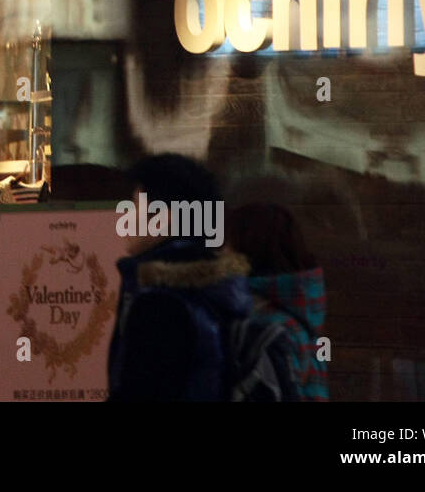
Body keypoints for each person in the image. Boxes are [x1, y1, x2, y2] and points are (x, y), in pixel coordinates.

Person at [107, 153, 250, 401]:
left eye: (133, 207)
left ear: (164, 217)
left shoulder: (161, 301)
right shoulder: (215, 290)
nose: (124, 219)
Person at [227, 203, 329, 401]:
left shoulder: (265, 324)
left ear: (247, 249)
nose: (220, 252)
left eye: (226, 243)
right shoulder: (302, 317)